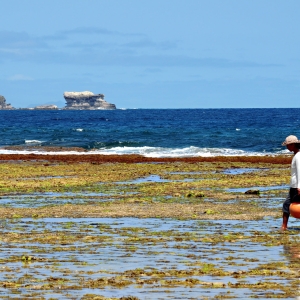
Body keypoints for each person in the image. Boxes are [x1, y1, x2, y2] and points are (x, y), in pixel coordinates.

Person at [281, 135, 300, 230]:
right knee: (287, 204)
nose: (287, 147)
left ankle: (284, 226)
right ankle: (284, 226)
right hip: (295, 185)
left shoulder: (298, 156)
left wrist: (299, 186)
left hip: (296, 186)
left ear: (293, 145)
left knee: (287, 204)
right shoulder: (297, 155)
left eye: (288, 145)